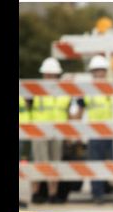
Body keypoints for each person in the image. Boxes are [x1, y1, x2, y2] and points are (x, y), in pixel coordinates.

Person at [73, 55, 113, 204]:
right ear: (92, 72)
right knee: (96, 165)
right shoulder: (88, 90)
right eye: (96, 71)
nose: (99, 73)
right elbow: (80, 110)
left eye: (101, 70)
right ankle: (98, 195)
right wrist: (73, 131)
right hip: (95, 133)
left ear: (106, 71)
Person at [30, 57, 71, 204]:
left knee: (55, 164)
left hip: (57, 131)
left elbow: (67, 112)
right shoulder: (35, 90)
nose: (50, 77)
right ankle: (36, 194)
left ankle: (52, 195)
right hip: (39, 130)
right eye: (48, 74)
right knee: (39, 163)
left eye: (52, 74)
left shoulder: (63, 91)